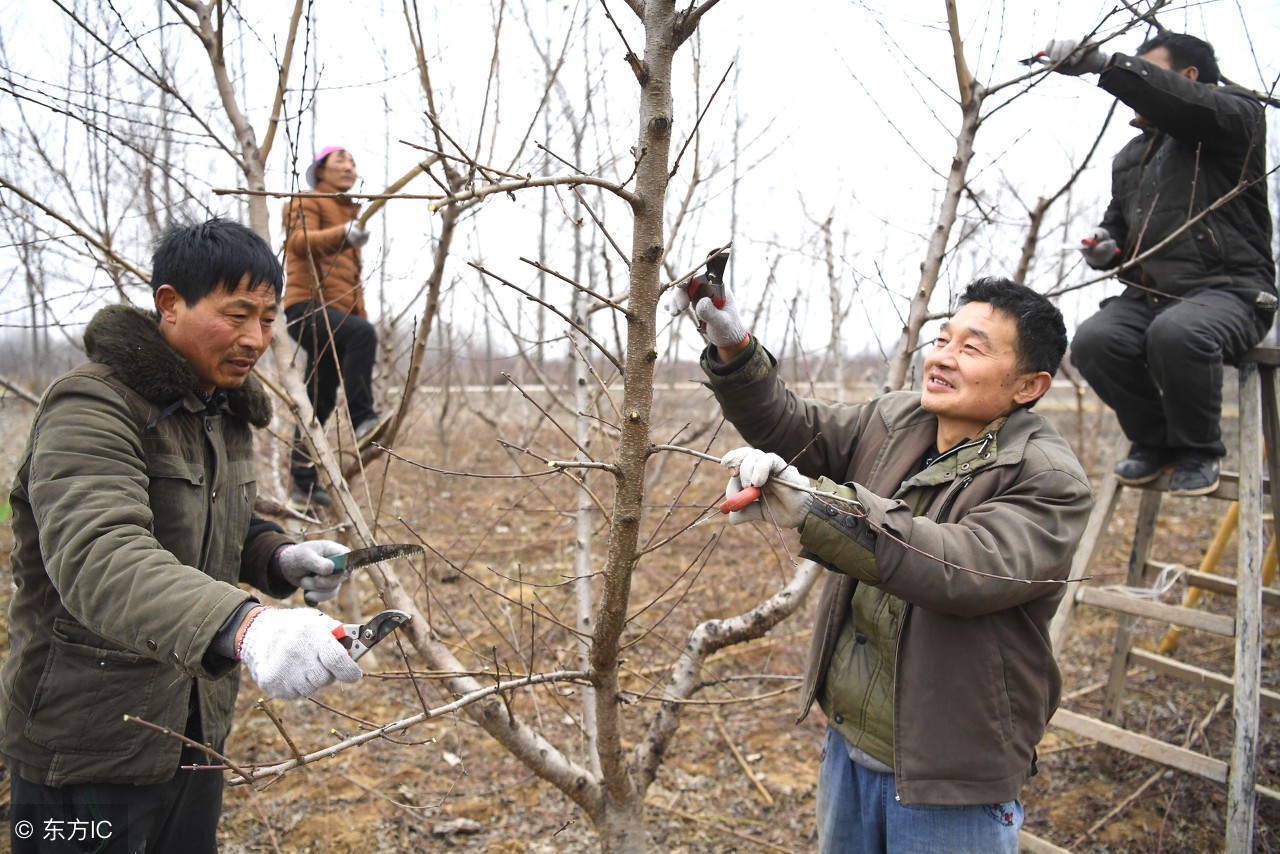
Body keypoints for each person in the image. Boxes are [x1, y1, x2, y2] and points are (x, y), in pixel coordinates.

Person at [670, 274, 1092, 852]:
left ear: (1029, 385)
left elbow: (962, 567)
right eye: (942, 340)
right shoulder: (900, 420)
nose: (942, 358)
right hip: (849, 743)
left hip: (951, 776)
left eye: (971, 348)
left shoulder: (1048, 479)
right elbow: (792, 426)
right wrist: (734, 345)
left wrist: (817, 508)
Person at [1, 218, 365, 852]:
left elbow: (213, 522)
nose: (255, 339)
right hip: (88, 745)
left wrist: (280, 557)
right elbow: (101, 555)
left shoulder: (220, 411)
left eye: (268, 318)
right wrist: (247, 626)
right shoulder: (91, 408)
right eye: (236, 314)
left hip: (195, 728)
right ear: (170, 304)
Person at [1044, 32, 1277, 496]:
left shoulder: (1235, 117)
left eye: (1145, 69)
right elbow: (1119, 230)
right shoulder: (1131, 158)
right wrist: (1106, 247)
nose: (1135, 83)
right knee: (1095, 340)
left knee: (1177, 332)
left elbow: (1192, 108)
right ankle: (1153, 443)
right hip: (1152, 295)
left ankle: (1200, 450)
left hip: (1232, 292)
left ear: (1188, 77)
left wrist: (1106, 63)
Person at [283, 145, 386, 512]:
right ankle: (362, 419)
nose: (349, 166)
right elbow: (297, 243)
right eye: (340, 160)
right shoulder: (306, 200)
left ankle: (303, 485)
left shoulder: (347, 210)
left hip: (334, 316)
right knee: (362, 334)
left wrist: (359, 314)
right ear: (321, 169)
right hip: (305, 308)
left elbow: (350, 283)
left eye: (353, 160)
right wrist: (343, 233)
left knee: (319, 398)